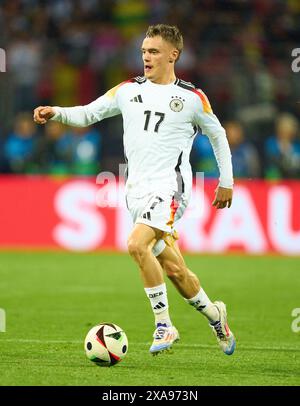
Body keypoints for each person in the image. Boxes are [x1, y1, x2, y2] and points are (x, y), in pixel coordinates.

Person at [33, 24, 235, 356]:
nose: (146, 57)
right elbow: (89, 113)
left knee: (136, 245)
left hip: (171, 190)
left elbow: (218, 136)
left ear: (173, 55)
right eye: (143, 51)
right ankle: (216, 316)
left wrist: (226, 181)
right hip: (136, 192)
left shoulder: (192, 97)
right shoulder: (128, 90)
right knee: (174, 270)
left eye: (154, 51)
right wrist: (56, 112)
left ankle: (164, 325)